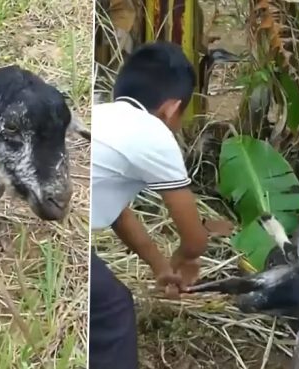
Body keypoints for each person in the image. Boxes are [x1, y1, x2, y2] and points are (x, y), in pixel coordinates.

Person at [89, 41, 209, 369]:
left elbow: (118, 214)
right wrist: (184, 261)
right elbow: (196, 238)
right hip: (59, 235)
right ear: (172, 109)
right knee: (111, 308)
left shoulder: (99, 113)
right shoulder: (156, 135)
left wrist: (160, 268)